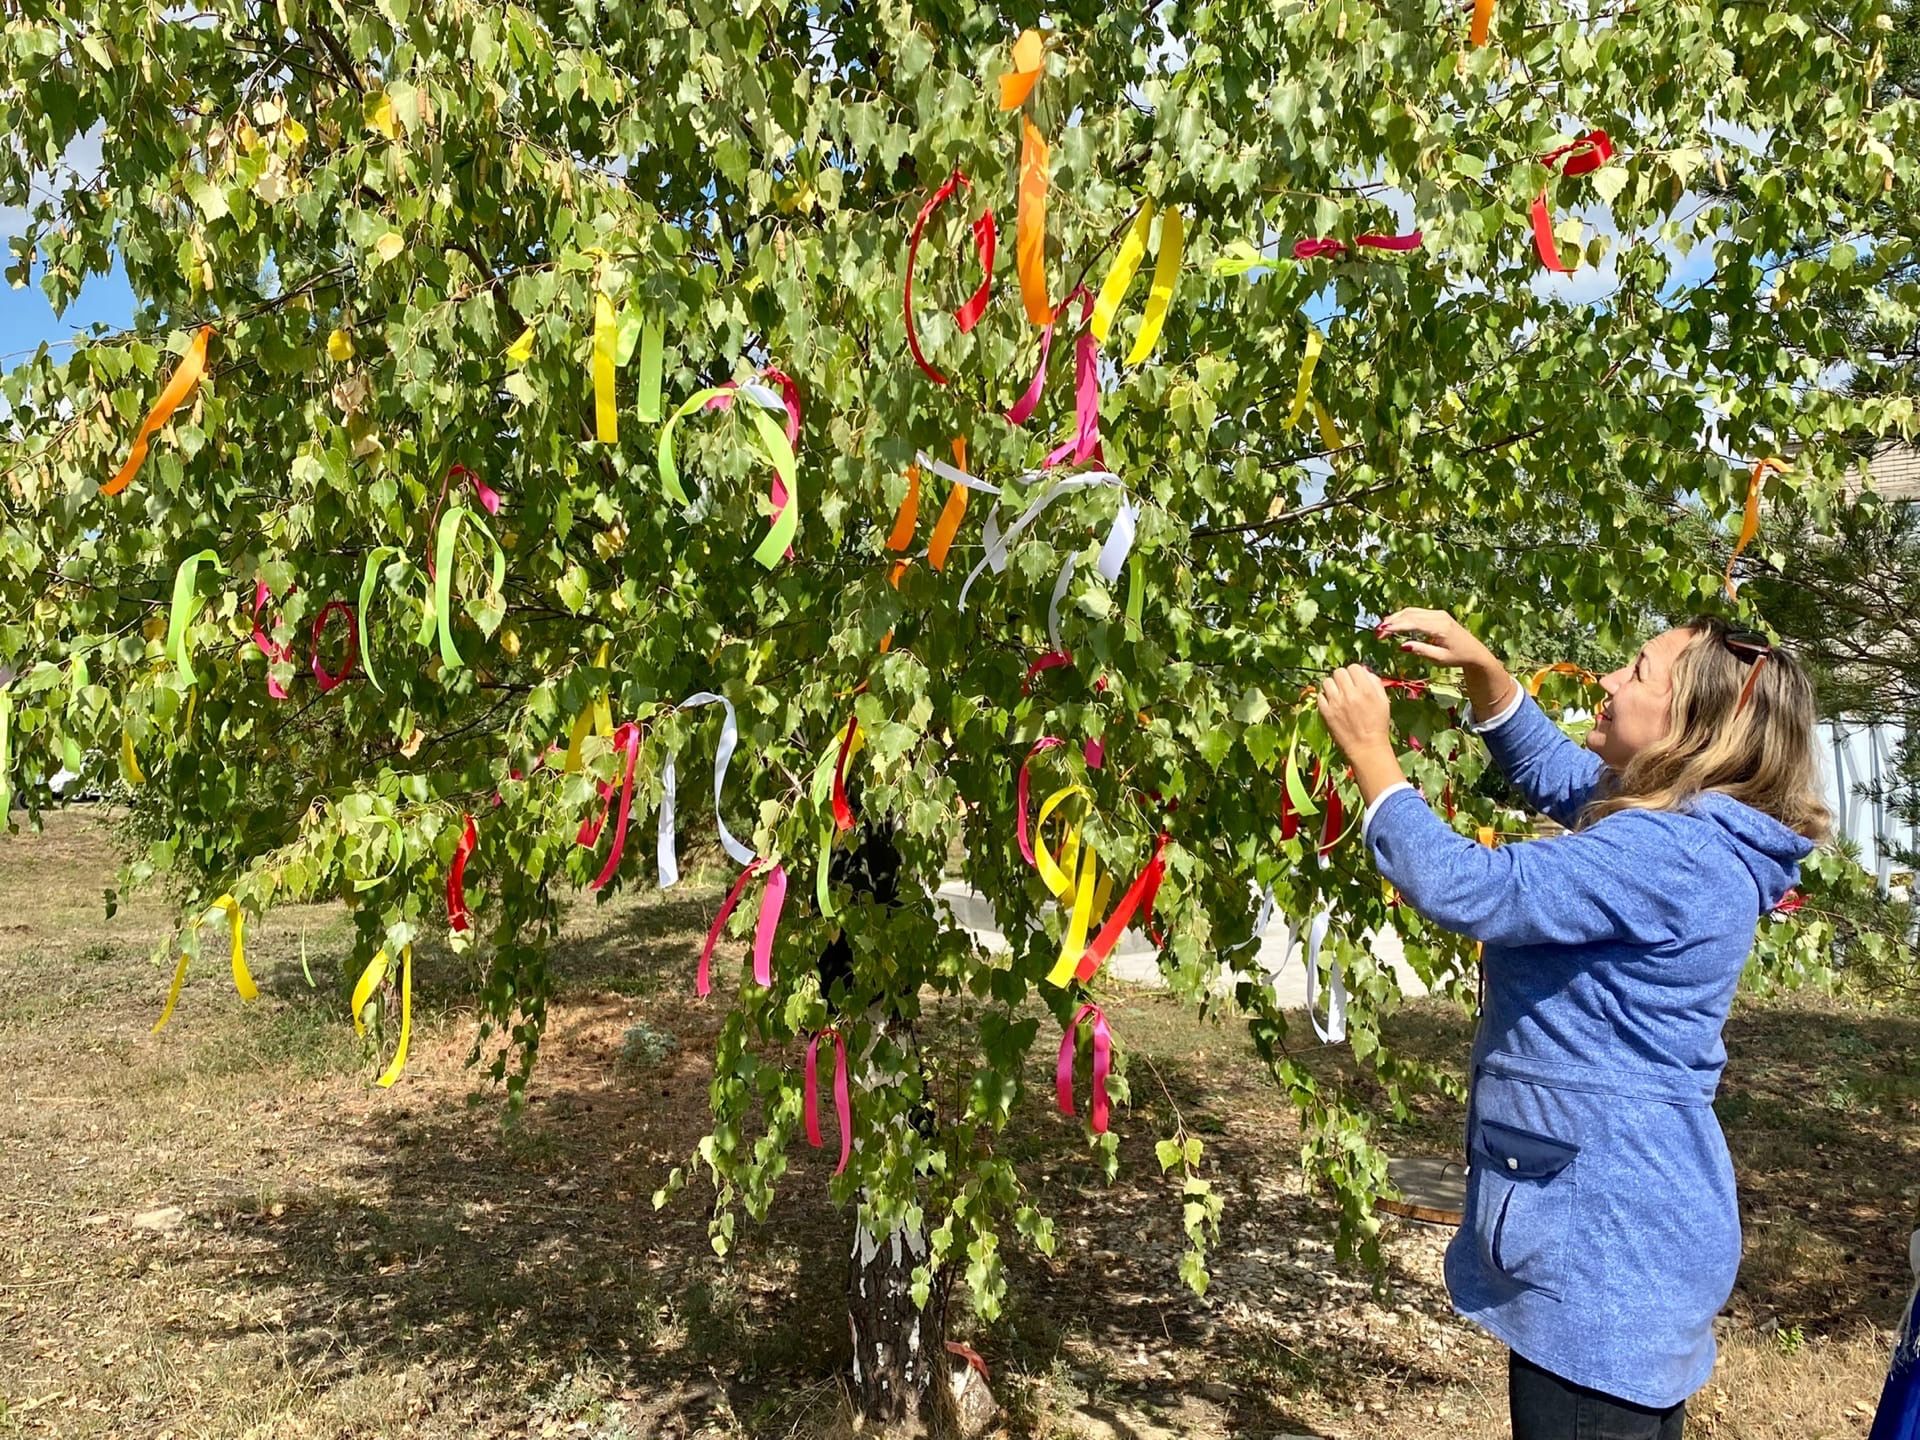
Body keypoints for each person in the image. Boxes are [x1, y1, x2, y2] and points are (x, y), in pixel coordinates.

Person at [1315, 608, 1832, 1440]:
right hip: (1627, 1240)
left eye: (1637, 671)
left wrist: (1373, 759)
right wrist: (1488, 676)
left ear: (1692, 723)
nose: (1608, 680)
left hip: (1604, 1256)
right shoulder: (1690, 828)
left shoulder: (1670, 855)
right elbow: (1570, 781)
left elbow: (1469, 886)